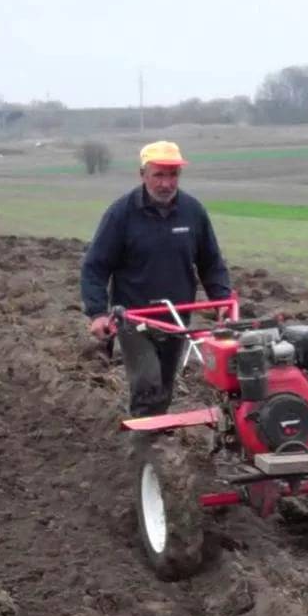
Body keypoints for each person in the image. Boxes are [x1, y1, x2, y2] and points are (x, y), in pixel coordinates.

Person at [80, 140, 232, 418]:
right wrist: (98, 313)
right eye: (158, 175)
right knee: (147, 383)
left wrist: (222, 299)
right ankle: (143, 450)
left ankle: (155, 445)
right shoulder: (121, 214)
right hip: (134, 316)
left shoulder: (192, 211)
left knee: (164, 388)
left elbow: (211, 262)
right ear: (143, 175)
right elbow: (95, 266)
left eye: (173, 175)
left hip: (177, 317)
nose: (166, 183)